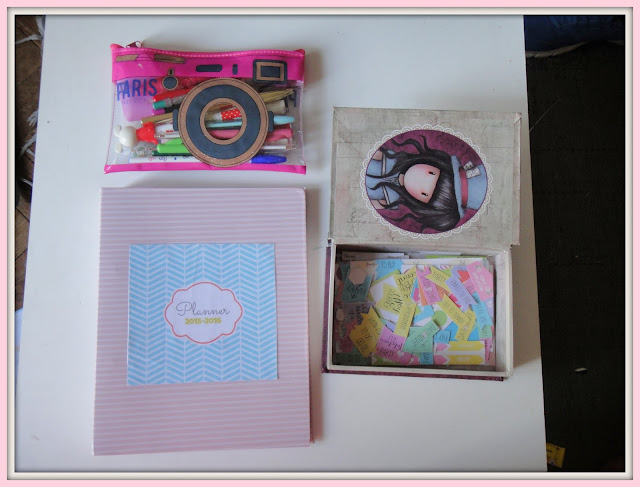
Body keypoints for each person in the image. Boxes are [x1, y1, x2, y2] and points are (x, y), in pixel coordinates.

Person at [365, 134, 487, 233]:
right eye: (430, 173)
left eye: (424, 193)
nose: (419, 180)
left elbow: (369, 205)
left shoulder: (393, 198)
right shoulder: (394, 160)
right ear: (434, 164)